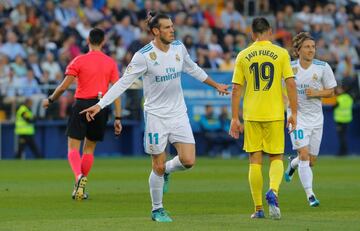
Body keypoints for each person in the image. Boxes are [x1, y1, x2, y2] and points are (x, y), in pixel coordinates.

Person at [80, 12, 229, 222]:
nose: (172, 30)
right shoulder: (143, 56)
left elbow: (192, 68)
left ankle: (168, 169)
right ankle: (157, 209)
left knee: (188, 160)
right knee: (156, 165)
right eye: (167, 27)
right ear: (156, 31)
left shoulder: (178, 47)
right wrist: (100, 104)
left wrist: (216, 85)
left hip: (178, 113)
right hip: (156, 116)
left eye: (172, 26)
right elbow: (123, 82)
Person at [229, 17, 297, 219]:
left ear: (252, 34)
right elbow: (291, 84)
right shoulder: (281, 53)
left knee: (254, 161)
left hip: (252, 114)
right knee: (276, 157)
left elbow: (235, 89)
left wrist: (234, 118)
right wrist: (293, 112)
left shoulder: (243, 55)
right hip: (275, 113)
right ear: (270, 31)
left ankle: (258, 209)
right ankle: (273, 191)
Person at [42, 28, 122, 201]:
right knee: (89, 149)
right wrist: (118, 118)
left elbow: (63, 87)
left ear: (88, 41)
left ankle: (79, 176)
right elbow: (116, 92)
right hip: (101, 107)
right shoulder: (110, 63)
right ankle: (79, 187)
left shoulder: (79, 60)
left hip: (82, 105)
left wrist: (50, 99)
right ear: (103, 42)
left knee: (72, 147)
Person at [284, 32, 337, 207]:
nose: (311, 50)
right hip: (297, 118)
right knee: (304, 155)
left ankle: (292, 164)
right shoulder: (289, 68)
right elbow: (280, 90)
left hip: (316, 119)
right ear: (298, 50)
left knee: (311, 161)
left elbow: (331, 91)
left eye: (313, 47)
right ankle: (310, 195)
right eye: (307, 47)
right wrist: (287, 108)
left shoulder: (323, 67)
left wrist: (316, 93)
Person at [333, 86, 353, 156]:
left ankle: (342, 152)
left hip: (340, 120)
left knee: (341, 137)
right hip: (347, 119)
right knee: (343, 136)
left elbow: (334, 107)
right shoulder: (349, 97)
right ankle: (344, 151)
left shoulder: (339, 98)